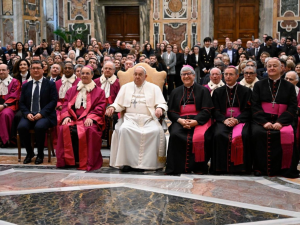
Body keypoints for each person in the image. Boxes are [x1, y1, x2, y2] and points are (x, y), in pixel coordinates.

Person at [106, 66, 168, 172]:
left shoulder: (154, 88)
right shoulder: (125, 87)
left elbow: (162, 103)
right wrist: (112, 107)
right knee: (124, 130)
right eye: (135, 74)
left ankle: (149, 164)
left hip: (149, 119)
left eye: (140, 75)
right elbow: (119, 103)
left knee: (155, 131)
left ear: (145, 76)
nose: (137, 77)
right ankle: (126, 163)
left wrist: (159, 108)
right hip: (130, 119)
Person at [251, 58, 299, 178]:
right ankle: (260, 168)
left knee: (288, 134)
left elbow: (292, 107)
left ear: (281, 68)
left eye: (275, 66)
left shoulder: (289, 86)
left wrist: (280, 122)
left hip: (283, 120)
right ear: (266, 68)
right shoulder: (258, 85)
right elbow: (255, 106)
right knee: (257, 133)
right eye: (269, 66)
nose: (271, 68)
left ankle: (284, 169)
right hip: (263, 120)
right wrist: (264, 122)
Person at [56, 65, 106, 171]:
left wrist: (92, 117)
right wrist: (66, 117)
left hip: (89, 118)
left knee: (90, 130)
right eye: (83, 73)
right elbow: (65, 106)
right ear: (79, 74)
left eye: (87, 73)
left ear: (92, 75)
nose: (84, 75)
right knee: (64, 128)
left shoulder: (99, 91)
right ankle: (69, 161)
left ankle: (88, 160)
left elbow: (100, 107)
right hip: (74, 118)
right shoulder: (72, 90)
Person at [165, 65, 213, 174]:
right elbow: (171, 112)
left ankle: (199, 167)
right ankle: (177, 167)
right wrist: (180, 121)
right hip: (181, 121)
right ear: (181, 76)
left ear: (194, 75)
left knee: (203, 136)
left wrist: (196, 122)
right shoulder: (175, 92)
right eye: (183, 74)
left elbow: (207, 110)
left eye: (188, 74)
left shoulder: (203, 90)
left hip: (198, 120)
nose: (186, 76)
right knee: (175, 134)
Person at [205, 66, 252, 174]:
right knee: (218, 134)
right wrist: (224, 120)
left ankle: (240, 168)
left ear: (237, 76)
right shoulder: (217, 92)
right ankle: (220, 168)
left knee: (244, 135)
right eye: (226, 74)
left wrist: (237, 120)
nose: (228, 77)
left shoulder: (246, 91)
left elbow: (249, 110)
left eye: (231, 74)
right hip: (223, 120)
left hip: (240, 120)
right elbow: (215, 110)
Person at [18, 61, 58, 164]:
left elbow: (53, 101)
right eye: (33, 68)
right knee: (22, 127)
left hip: (45, 115)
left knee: (39, 127)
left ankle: (40, 154)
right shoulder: (26, 85)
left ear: (43, 70)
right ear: (30, 70)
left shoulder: (50, 84)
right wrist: (27, 114)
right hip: (29, 114)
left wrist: (42, 113)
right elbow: (21, 103)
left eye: (38, 68)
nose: (35, 70)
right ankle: (29, 153)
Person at [94, 61, 120, 140]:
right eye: (106, 68)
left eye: (110, 69)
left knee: (113, 117)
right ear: (102, 69)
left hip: (113, 106)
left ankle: (110, 140)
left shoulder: (118, 83)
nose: (107, 70)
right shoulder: (96, 82)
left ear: (114, 71)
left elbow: (119, 98)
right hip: (97, 106)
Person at [0, 64, 21, 146]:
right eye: (0, 70)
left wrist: (3, 105)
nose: (1, 72)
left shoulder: (14, 82)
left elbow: (15, 96)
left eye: (3, 70)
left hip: (10, 105)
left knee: (5, 114)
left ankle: (5, 140)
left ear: (8, 71)